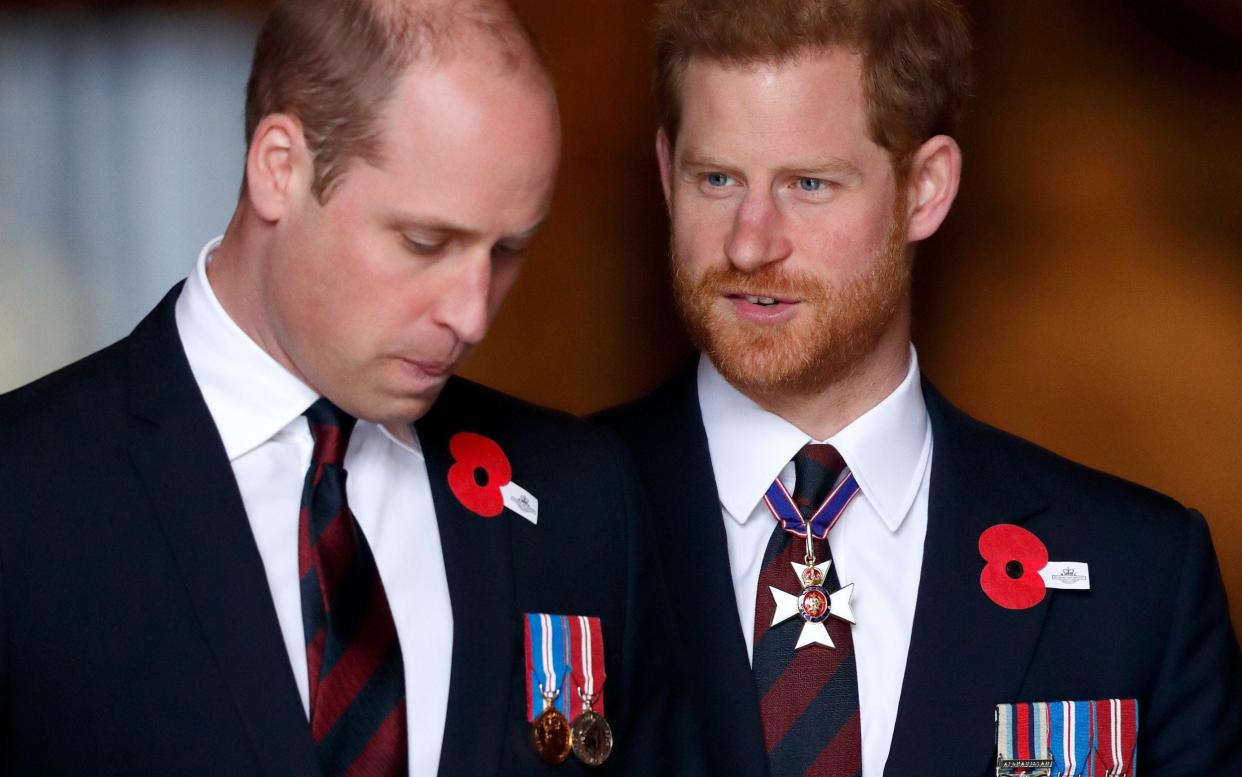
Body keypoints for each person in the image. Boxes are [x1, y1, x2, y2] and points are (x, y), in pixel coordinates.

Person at [0, 1, 671, 774]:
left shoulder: (582, 499)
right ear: (280, 167)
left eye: (509, 251)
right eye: (427, 241)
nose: (473, 312)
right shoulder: (25, 493)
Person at [596, 0, 1242, 775]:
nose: (749, 240)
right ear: (667, 173)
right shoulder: (535, 522)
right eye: (717, 178)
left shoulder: (1143, 578)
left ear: (927, 189)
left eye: (808, 183)